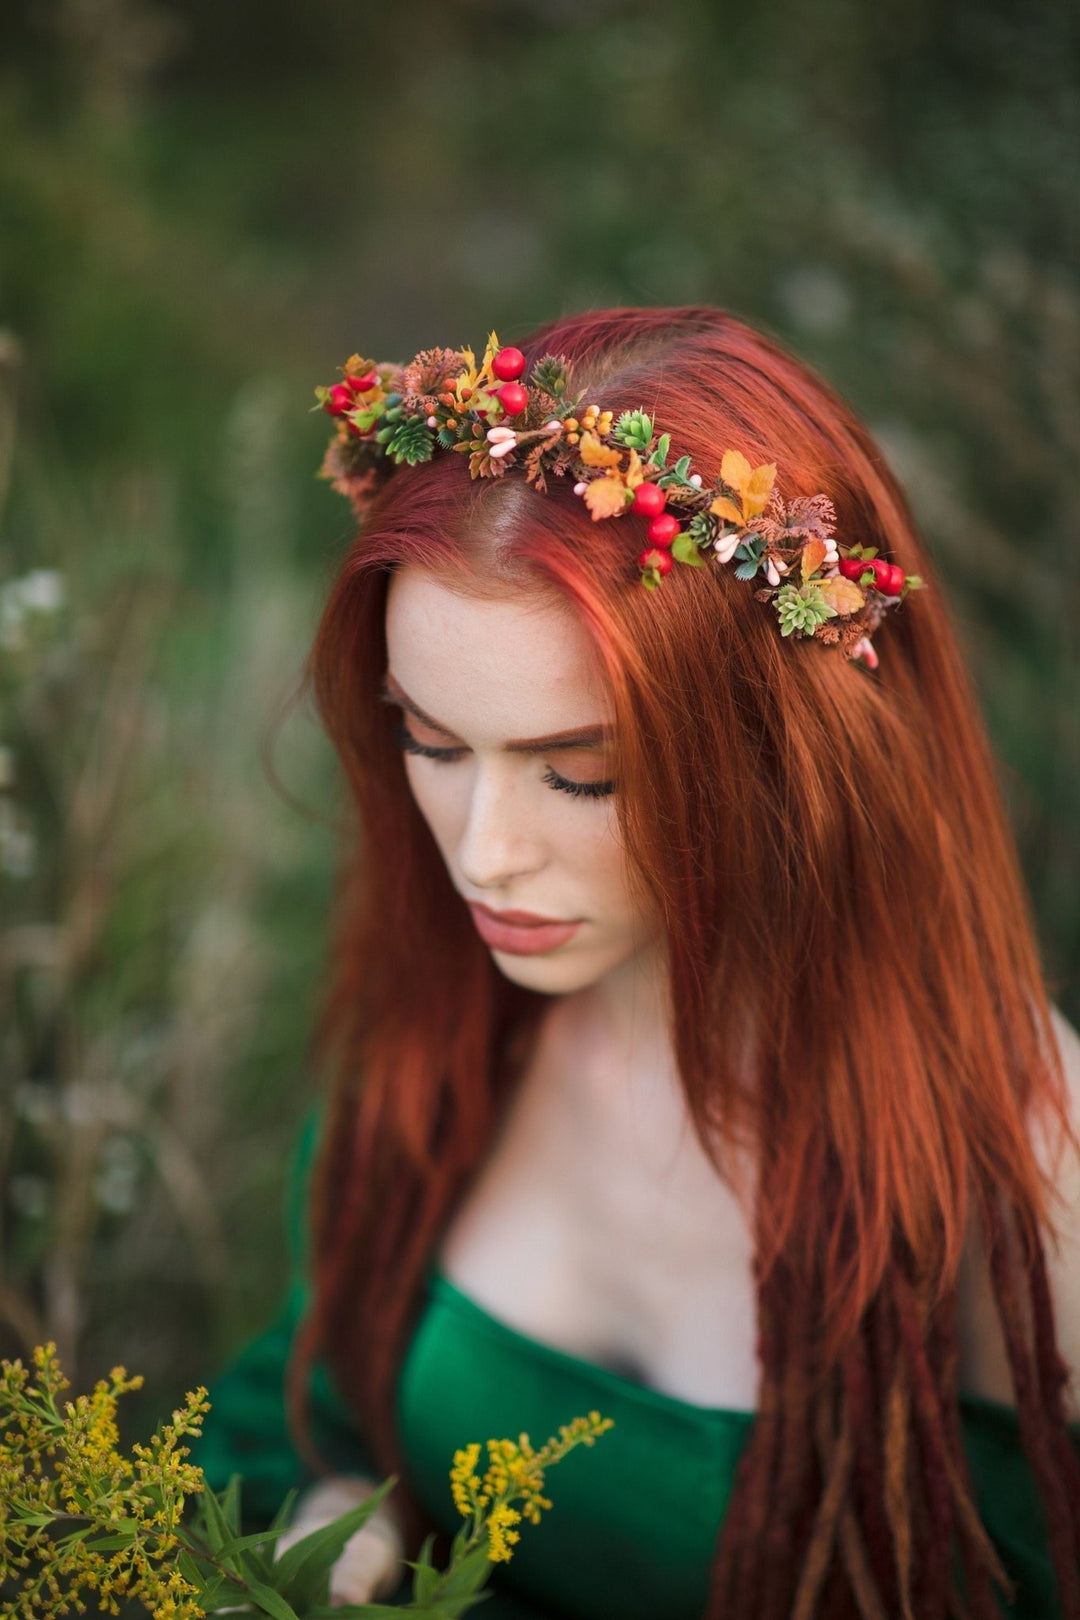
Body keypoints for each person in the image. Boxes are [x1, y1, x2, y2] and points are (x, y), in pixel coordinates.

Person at [191, 306, 1080, 1620]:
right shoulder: (461, 1030)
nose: (485, 855)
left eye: (582, 775)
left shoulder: (1027, 1160)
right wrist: (339, 1513)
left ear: (795, 754)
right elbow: (307, 1411)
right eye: (430, 744)